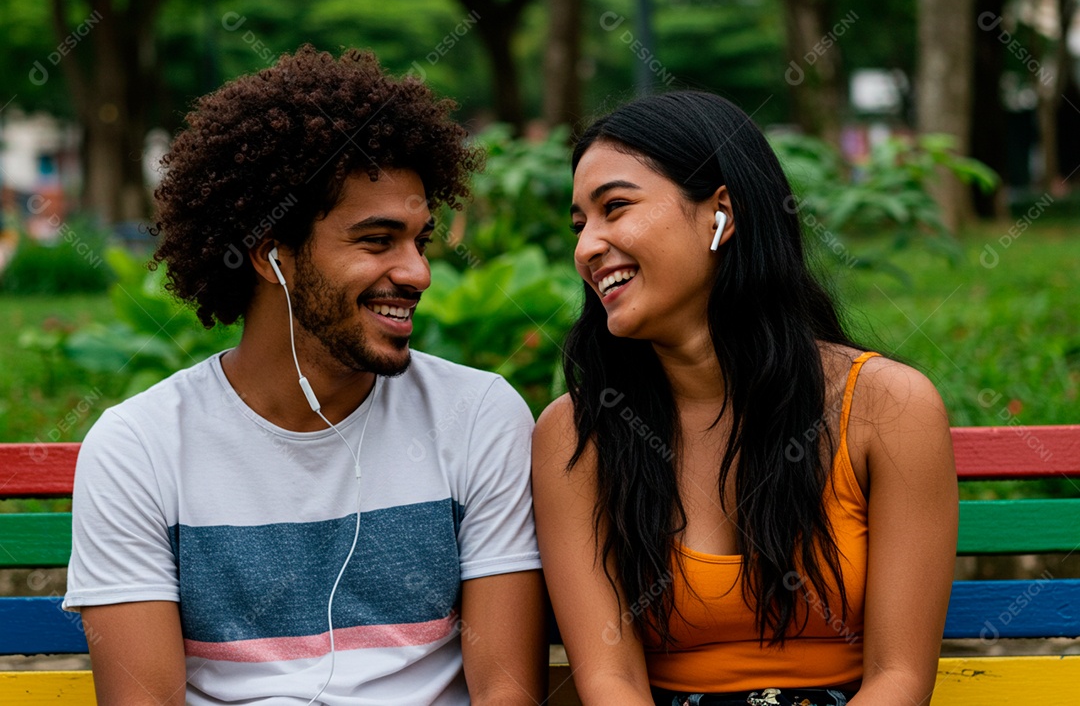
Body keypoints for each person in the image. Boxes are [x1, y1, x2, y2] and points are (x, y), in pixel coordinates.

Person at [63, 46, 545, 706]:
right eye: (377, 241)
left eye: (421, 240)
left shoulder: (477, 416)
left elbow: (506, 695)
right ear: (272, 257)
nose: (418, 273)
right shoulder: (140, 448)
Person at [532, 91, 958, 706]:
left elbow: (900, 677)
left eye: (615, 208)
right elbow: (610, 681)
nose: (586, 248)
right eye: (579, 226)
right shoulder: (580, 434)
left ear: (721, 214)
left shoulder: (886, 407)